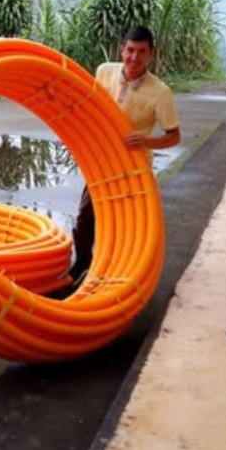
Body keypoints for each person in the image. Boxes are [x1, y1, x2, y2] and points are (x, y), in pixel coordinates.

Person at [69, 26, 181, 282]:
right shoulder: (104, 71)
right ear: (122, 49)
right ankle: (83, 263)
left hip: (133, 168)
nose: (134, 57)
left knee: (128, 226)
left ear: (151, 54)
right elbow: (91, 107)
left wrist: (146, 141)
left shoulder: (160, 93)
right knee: (85, 219)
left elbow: (174, 136)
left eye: (141, 52)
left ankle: (120, 271)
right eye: (130, 50)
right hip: (101, 162)